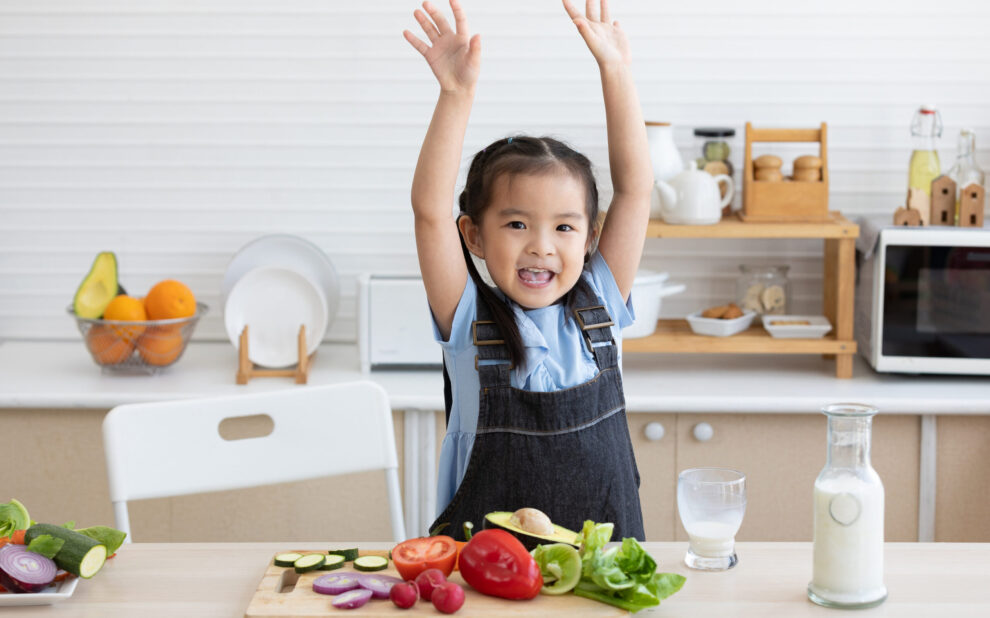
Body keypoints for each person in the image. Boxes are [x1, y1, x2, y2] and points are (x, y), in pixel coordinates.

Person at [403, 0, 653, 540]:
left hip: (600, 578)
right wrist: (455, 94)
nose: (541, 247)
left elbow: (635, 189)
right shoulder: (467, 320)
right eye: (517, 225)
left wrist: (615, 71)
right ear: (473, 235)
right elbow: (429, 212)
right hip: (485, 578)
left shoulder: (601, 304)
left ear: (590, 239)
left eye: (564, 228)